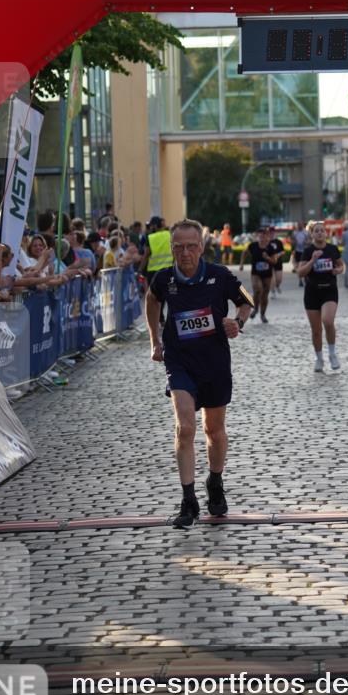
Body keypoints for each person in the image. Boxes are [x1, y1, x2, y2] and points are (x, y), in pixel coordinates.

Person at [146, 219, 254, 529]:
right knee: (185, 427)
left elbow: (246, 301)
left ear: (201, 247)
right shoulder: (164, 279)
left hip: (214, 362)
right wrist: (154, 341)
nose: (185, 253)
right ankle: (188, 499)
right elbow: (152, 301)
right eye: (178, 247)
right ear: (171, 248)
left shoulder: (220, 276)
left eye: (191, 246)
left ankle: (215, 482)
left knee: (214, 431)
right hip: (179, 361)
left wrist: (237, 323)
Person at [298, 221, 344, 371]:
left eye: (322, 230)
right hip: (312, 292)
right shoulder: (308, 251)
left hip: (329, 291)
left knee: (328, 321)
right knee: (316, 331)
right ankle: (319, 359)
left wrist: (338, 270)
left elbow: (341, 266)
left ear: (326, 233)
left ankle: (332, 354)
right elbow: (300, 272)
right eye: (316, 231)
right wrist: (312, 260)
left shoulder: (332, 249)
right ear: (312, 234)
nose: (319, 233)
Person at [238, 227, 277, 323]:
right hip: (256, 273)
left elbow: (274, 261)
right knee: (258, 289)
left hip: (267, 274)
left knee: (265, 295)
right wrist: (241, 264)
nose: (261, 237)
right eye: (260, 235)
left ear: (267, 236)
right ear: (257, 236)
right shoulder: (253, 246)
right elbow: (244, 253)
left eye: (264, 235)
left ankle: (263, 315)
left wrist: (267, 258)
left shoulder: (270, 248)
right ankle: (255, 308)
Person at [267, 226, 285, 294]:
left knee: (279, 279)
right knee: (272, 278)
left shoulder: (278, 242)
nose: (271, 234)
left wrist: (278, 255)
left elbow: (283, 251)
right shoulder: (266, 242)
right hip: (269, 262)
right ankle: (273, 292)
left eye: (272, 232)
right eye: (269, 232)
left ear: (274, 233)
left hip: (278, 262)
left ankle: (277, 286)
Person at [291, 221, 309, 286]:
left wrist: (306, 242)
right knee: (298, 266)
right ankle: (300, 280)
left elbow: (310, 241)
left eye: (300, 224)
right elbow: (292, 241)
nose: (299, 226)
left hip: (305, 251)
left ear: (303, 225)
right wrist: (294, 242)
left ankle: (306, 277)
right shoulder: (294, 233)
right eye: (298, 224)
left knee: (305, 265)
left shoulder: (306, 232)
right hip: (297, 251)